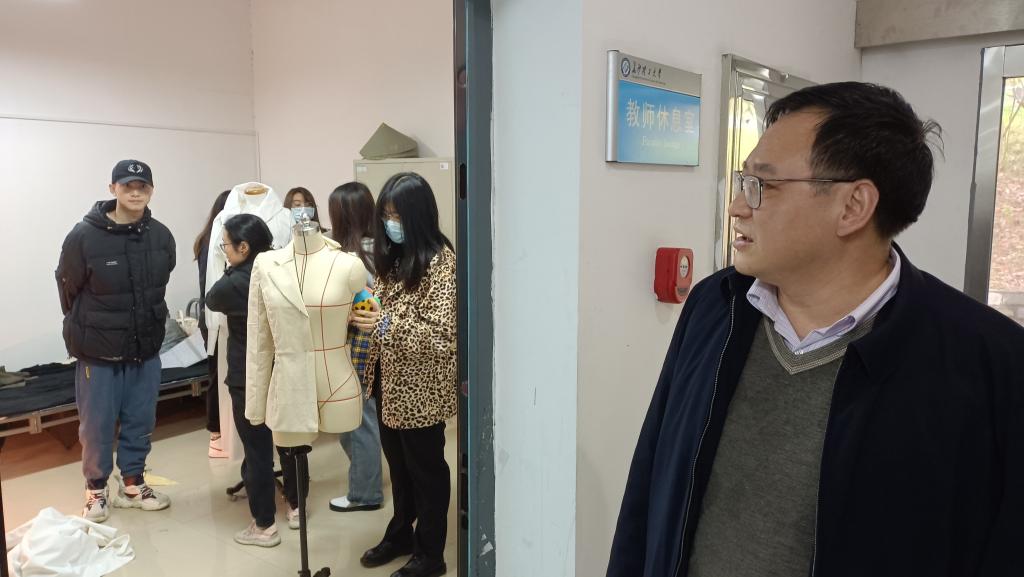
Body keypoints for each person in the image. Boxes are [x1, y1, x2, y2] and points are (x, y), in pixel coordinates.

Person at [606, 82, 1023, 577]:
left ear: (853, 206)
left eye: (763, 185)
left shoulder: (987, 364)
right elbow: (649, 485)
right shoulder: (716, 307)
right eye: (742, 180)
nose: (738, 206)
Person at [56, 159, 175, 524]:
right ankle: (95, 490)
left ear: (151, 190)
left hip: (145, 348)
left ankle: (133, 485)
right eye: (127, 186)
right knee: (97, 427)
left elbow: (160, 285)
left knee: (141, 420)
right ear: (113, 189)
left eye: (142, 186)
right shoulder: (84, 236)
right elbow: (68, 288)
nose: (135, 193)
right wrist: (92, 328)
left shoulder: (161, 236)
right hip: (98, 352)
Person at [358, 173, 456, 577]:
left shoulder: (442, 264)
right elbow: (383, 311)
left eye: (396, 216)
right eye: (385, 215)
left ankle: (431, 553)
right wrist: (366, 313)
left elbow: (441, 336)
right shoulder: (393, 259)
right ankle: (400, 533)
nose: (389, 223)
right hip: (388, 383)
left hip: (421, 391)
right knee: (398, 469)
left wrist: (383, 322)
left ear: (418, 216)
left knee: (426, 473)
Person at [205, 213, 297, 547]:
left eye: (226, 246)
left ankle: (264, 526)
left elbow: (211, 299)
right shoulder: (283, 269)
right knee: (290, 443)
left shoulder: (235, 282)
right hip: (284, 370)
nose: (225, 252)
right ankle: (297, 508)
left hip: (249, 377)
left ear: (244, 247)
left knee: (257, 451)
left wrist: (232, 268)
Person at [326, 182, 384, 514]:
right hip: (381, 346)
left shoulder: (349, 258)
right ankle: (367, 482)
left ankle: (365, 493)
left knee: (357, 422)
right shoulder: (382, 249)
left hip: (358, 349)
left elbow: (360, 306)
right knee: (364, 418)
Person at [194, 189, 230, 459]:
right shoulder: (212, 242)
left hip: (218, 316)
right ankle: (216, 433)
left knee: (221, 375)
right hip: (215, 318)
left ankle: (223, 432)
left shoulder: (209, 239)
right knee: (217, 375)